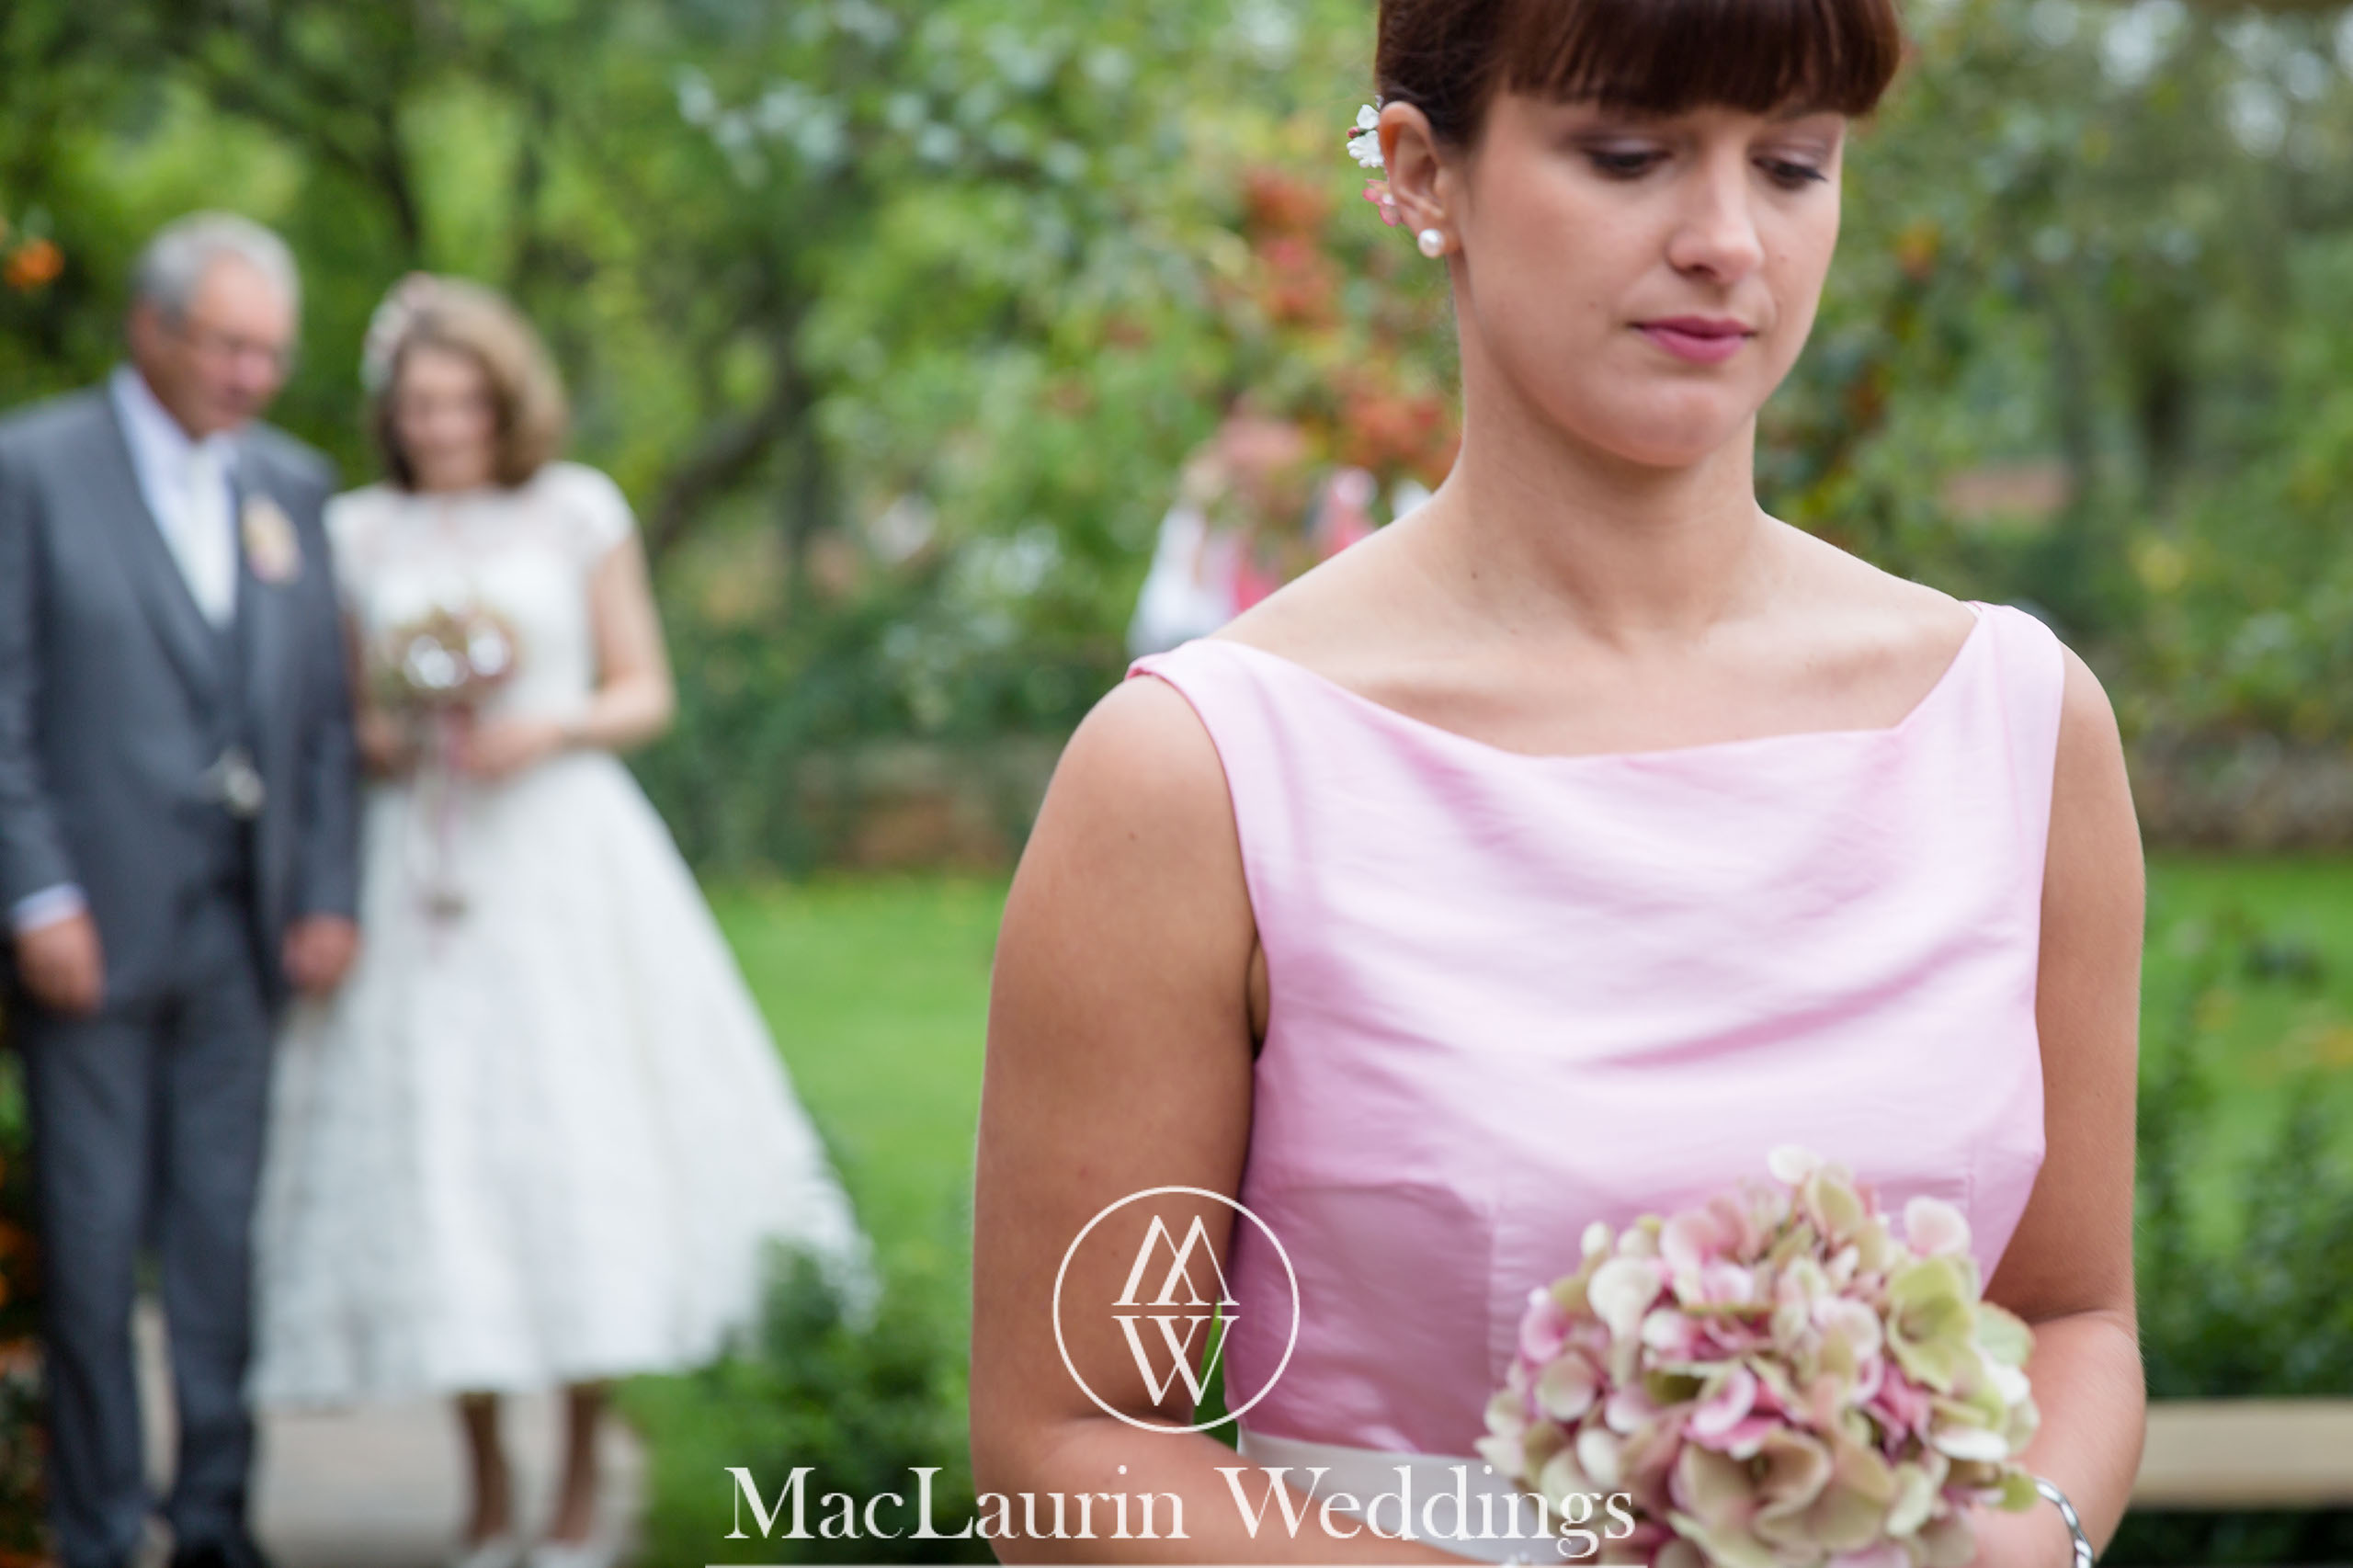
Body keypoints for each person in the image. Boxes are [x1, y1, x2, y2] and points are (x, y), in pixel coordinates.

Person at [972, 0, 2146, 1562]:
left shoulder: (2015, 722)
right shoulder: (1205, 771)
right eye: (1629, 154)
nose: (1729, 239)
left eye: (1792, 165)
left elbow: (2072, 1313)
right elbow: (1068, 1443)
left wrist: (2020, 1537)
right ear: (1421, 172)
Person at [248, 278, 870, 1568]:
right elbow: (347, 720)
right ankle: (482, 1482)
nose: (441, 424)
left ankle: (580, 1479)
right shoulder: (358, 532)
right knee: (443, 1159)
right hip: (421, 859)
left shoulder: (576, 509)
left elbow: (641, 687)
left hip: (562, 852)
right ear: (393, 413)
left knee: (580, 1138)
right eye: (418, 405)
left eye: (462, 400)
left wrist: (547, 724)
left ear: (502, 398)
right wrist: (415, 727)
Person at [0, 213, 360, 1568]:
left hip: (244, 930)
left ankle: (214, 1519)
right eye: (231, 345)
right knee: (93, 1254)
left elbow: (322, 720)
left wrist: (326, 888)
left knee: (222, 1245)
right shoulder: (30, 469)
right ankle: (96, 1529)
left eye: (274, 351)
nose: (256, 376)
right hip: (86, 930)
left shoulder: (291, 485)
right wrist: (37, 898)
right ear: (151, 329)